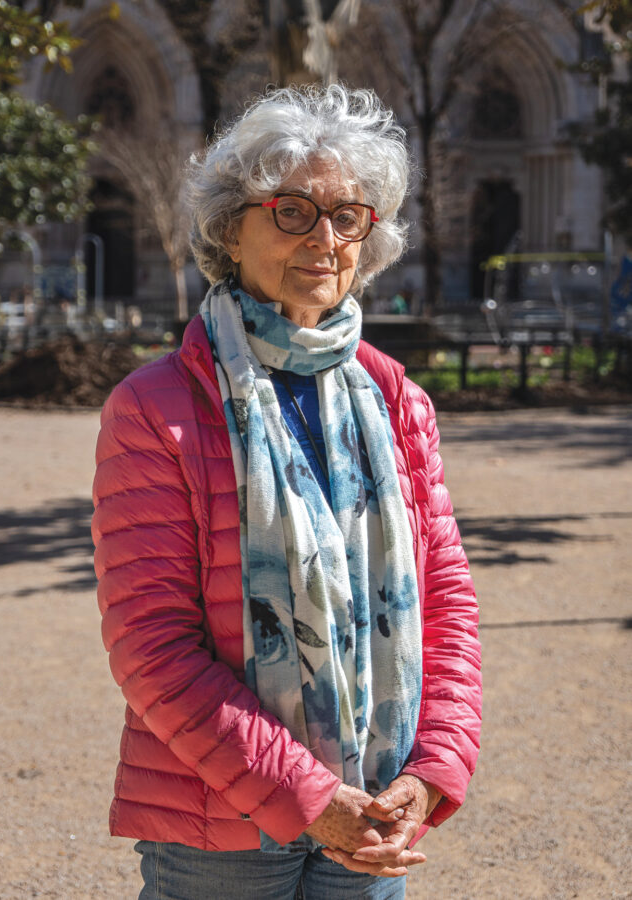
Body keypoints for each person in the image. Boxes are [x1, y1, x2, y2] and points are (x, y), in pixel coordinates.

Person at [92, 84, 481, 900]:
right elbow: (152, 647)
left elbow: (444, 601)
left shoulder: (397, 401)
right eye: (293, 210)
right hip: (221, 824)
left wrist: (434, 768)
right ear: (231, 228)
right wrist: (304, 797)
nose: (326, 239)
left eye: (348, 217)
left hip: (376, 802)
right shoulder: (154, 408)